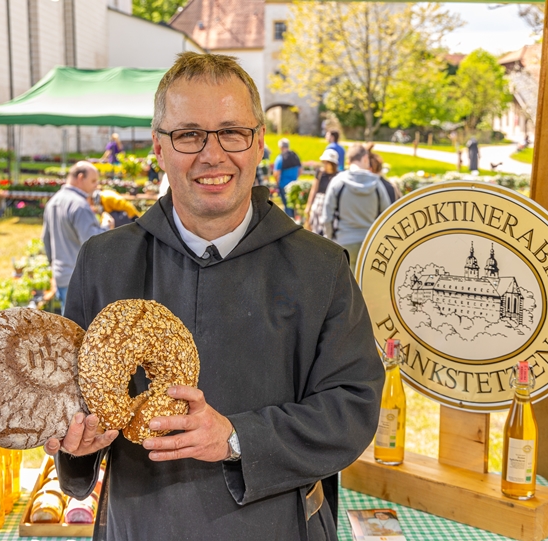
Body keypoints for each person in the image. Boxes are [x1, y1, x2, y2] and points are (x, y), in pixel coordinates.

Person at [43, 52, 384, 541]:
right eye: (189, 135)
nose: (212, 155)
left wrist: (236, 438)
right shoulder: (104, 262)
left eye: (232, 132)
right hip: (139, 525)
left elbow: (352, 406)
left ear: (259, 143)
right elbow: (73, 402)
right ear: (159, 148)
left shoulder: (321, 268)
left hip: (276, 528)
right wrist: (78, 443)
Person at [41, 161, 114, 314]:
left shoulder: (53, 201)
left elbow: (46, 239)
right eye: (93, 181)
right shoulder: (79, 205)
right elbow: (92, 242)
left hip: (62, 276)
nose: (96, 186)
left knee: (68, 324)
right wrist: (107, 227)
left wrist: (54, 268)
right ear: (80, 178)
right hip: (80, 280)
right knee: (84, 326)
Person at [321, 143, 390, 272]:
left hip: (343, 242)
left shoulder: (337, 182)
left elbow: (326, 217)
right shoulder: (377, 184)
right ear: (365, 158)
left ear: (348, 161)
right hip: (369, 245)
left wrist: (329, 240)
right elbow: (388, 216)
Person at [304, 148, 338, 236]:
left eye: (327, 162)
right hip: (318, 205)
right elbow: (314, 189)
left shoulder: (338, 176)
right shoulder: (320, 173)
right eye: (324, 162)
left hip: (330, 205)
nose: (325, 165)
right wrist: (308, 206)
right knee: (316, 231)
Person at [272, 137, 301, 218]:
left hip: (284, 185)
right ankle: (294, 220)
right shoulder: (295, 156)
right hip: (294, 185)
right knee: (293, 205)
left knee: (287, 205)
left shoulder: (280, 158)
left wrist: (277, 182)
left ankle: (290, 221)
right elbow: (300, 170)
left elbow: (276, 173)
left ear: (281, 147)